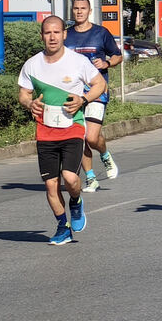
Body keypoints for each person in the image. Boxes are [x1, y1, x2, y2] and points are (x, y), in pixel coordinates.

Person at [18, 16, 106, 245]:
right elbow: (23, 94)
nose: (52, 37)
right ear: (42, 36)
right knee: (50, 184)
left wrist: (83, 99)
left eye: (57, 32)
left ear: (64, 34)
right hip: (45, 131)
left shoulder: (77, 61)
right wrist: (29, 104)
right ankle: (62, 227)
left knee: (69, 178)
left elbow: (100, 85)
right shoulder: (32, 64)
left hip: (72, 127)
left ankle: (75, 202)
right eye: (48, 33)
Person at [65, 0, 123, 192]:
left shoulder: (101, 33)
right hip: (73, 93)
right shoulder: (67, 35)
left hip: (97, 91)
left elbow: (118, 55)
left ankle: (105, 155)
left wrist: (106, 63)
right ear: (72, 11)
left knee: (91, 137)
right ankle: (90, 178)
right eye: (76, 8)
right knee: (79, 138)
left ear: (90, 11)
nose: (79, 11)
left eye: (83, 8)